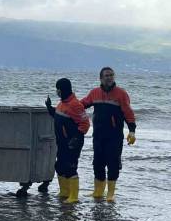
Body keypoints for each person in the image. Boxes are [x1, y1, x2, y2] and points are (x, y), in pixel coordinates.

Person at [80, 67, 136, 202]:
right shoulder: (94, 93)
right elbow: (81, 104)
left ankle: (110, 193)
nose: (109, 77)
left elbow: (128, 113)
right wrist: (65, 105)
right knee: (98, 163)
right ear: (101, 78)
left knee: (113, 163)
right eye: (106, 75)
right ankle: (98, 191)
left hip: (114, 135)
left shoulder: (121, 94)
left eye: (111, 75)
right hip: (98, 135)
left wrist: (132, 130)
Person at [45, 78, 90, 203]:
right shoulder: (62, 103)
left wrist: (76, 138)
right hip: (62, 142)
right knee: (59, 166)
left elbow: (85, 123)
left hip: (72, 143)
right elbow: (58, 115)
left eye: (58, 89)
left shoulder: (75, 105)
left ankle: (74, 196)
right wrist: (49, 108)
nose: (57, 92)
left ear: (62, 89)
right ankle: (64, 192)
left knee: (70, 168)